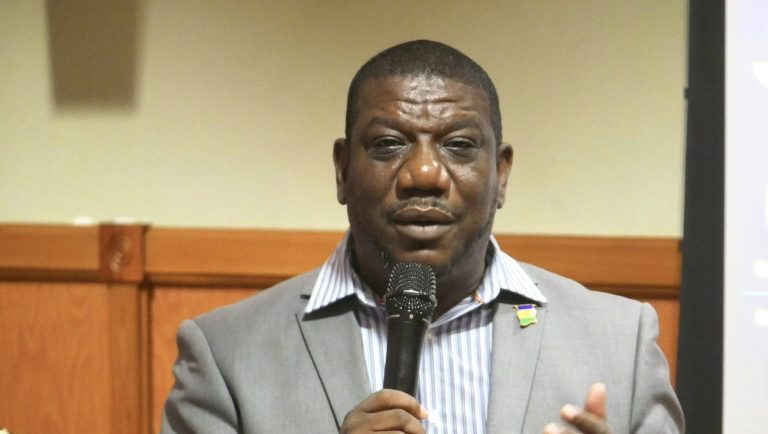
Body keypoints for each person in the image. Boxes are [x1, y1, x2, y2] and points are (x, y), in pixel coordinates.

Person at [161, 40, 684, 434]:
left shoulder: (620, 345)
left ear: (501, 175)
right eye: (389, 144)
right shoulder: (225, 356)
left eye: (459, 145)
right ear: (342, 170)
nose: (425, 174)